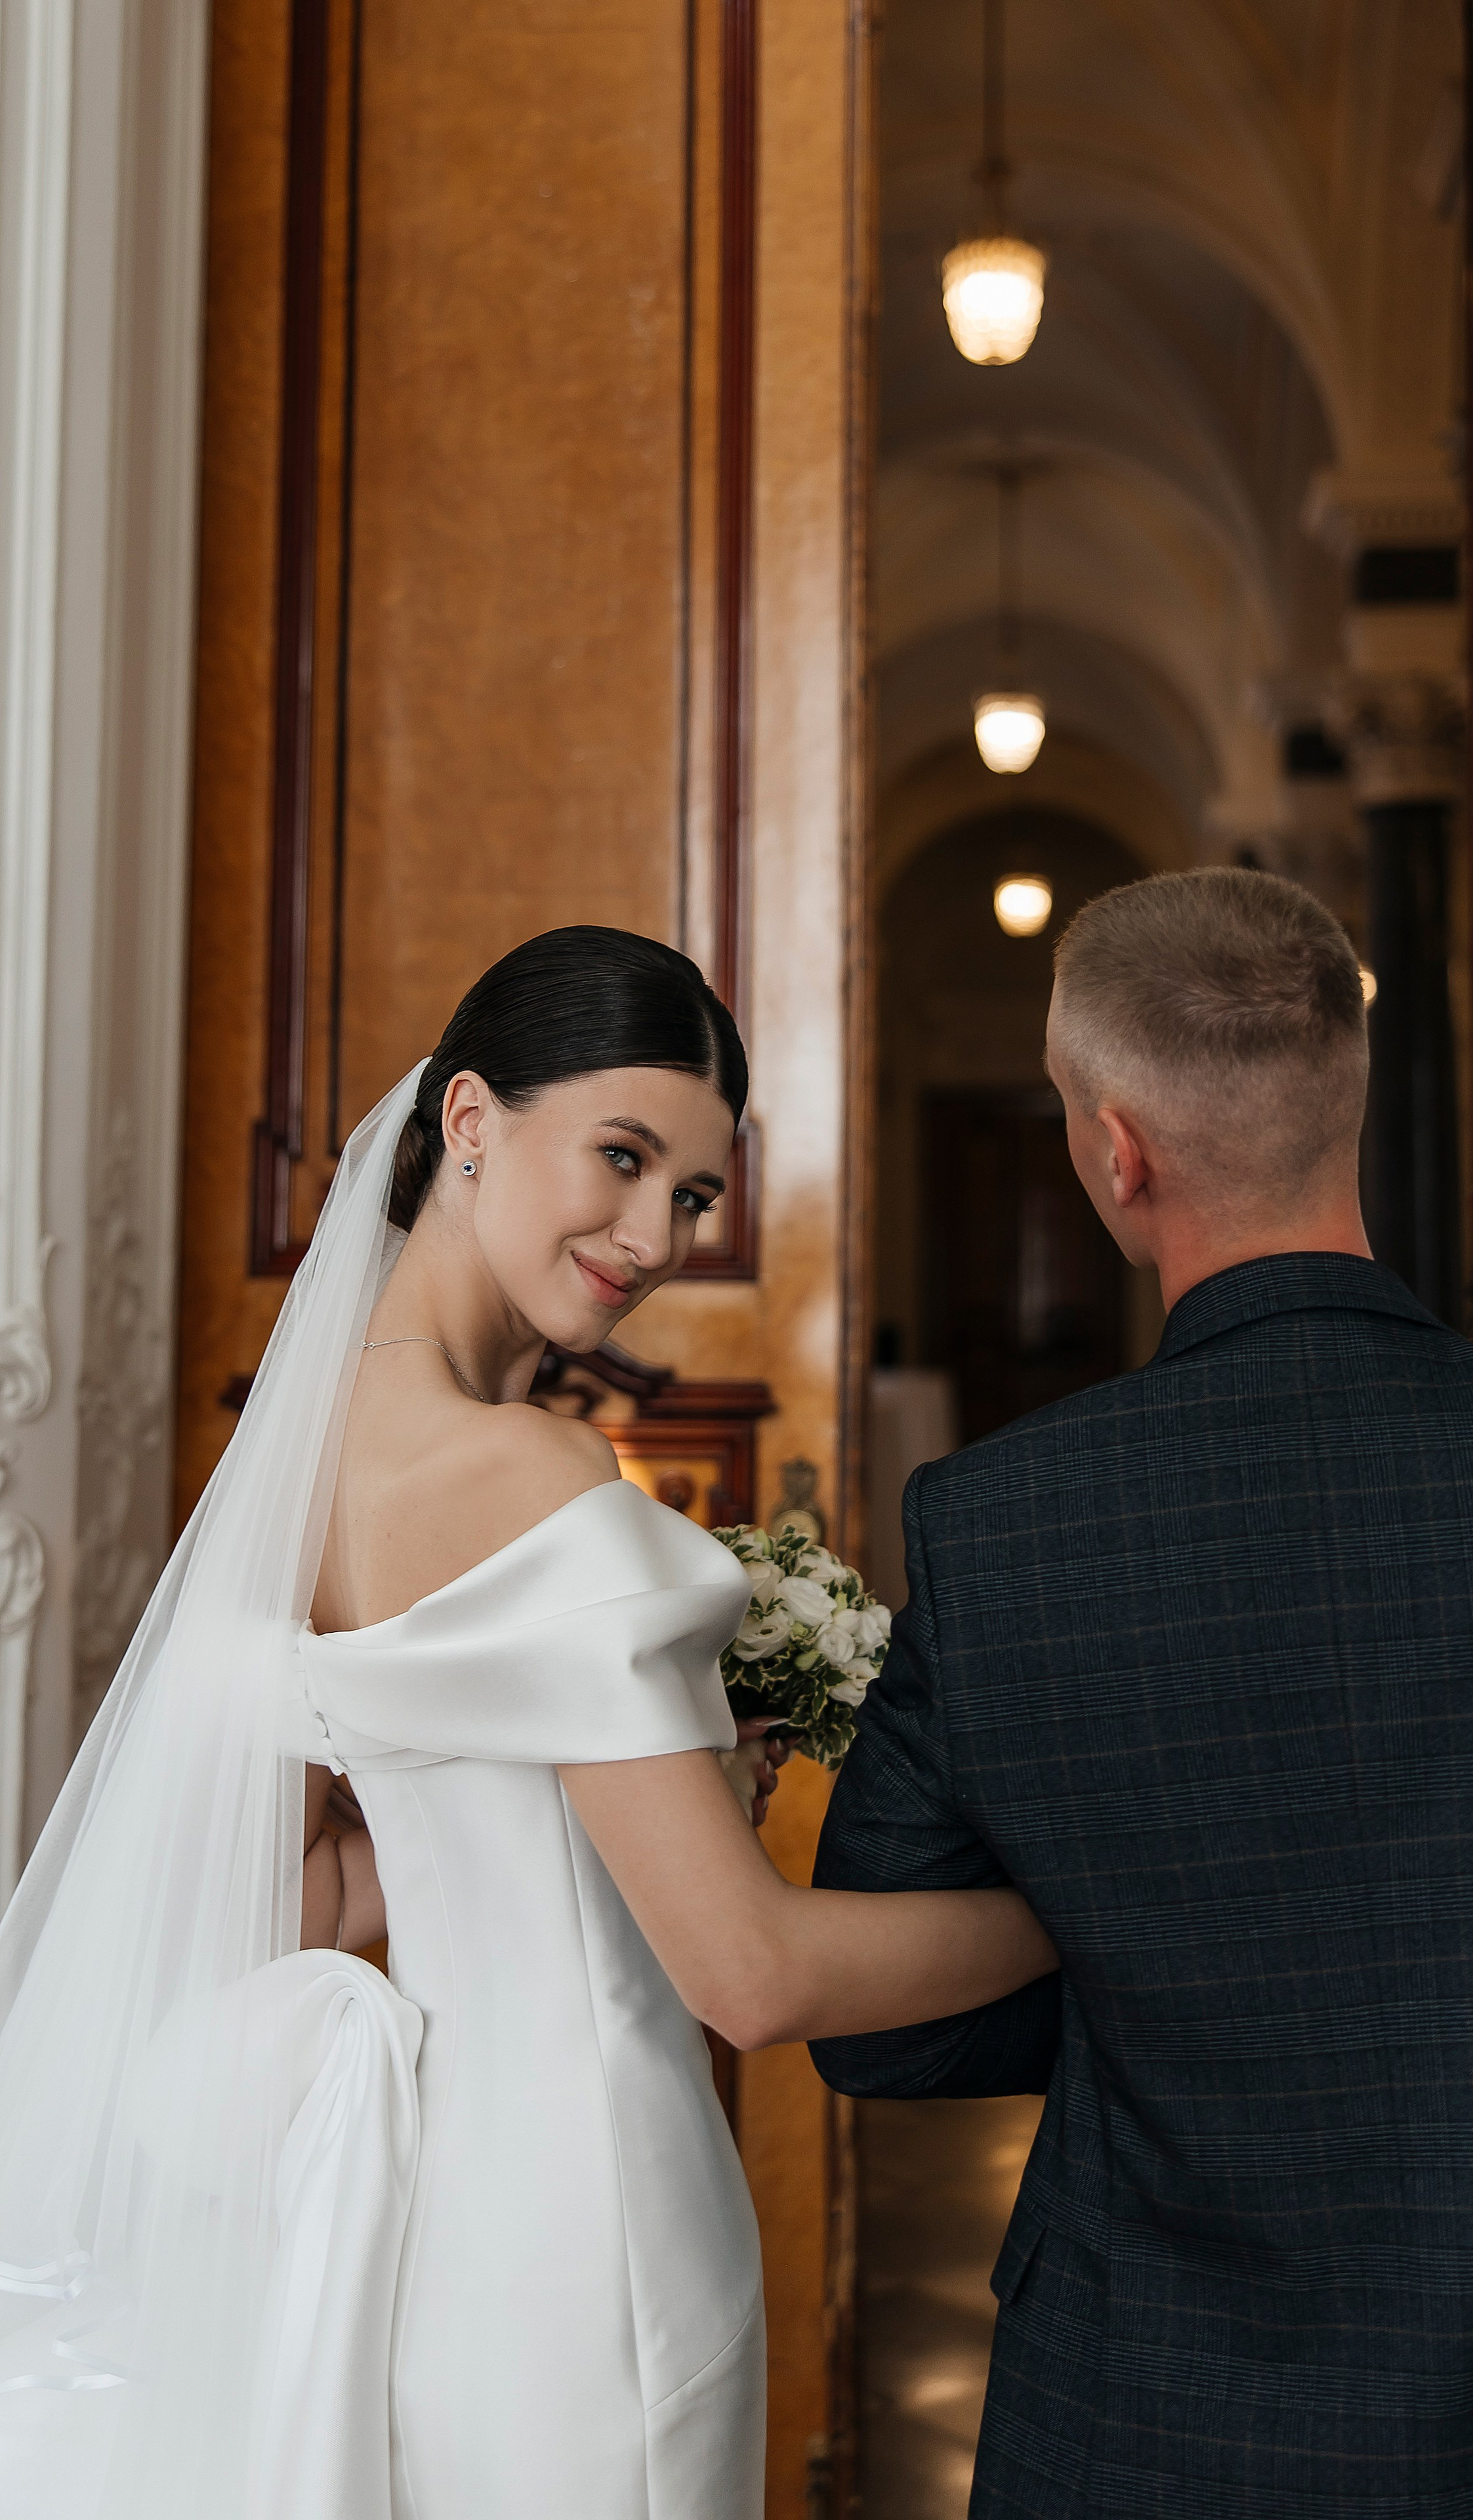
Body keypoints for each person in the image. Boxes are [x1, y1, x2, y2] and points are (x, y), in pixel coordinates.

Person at [0, 926, 1054, 2520]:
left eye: (694, 1197)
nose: (655, 1235)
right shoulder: (527, 1477)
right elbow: (750, 1975)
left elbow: (312, 1894)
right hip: (597, 2236)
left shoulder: (295, 1472)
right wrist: (1072, 1916)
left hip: (438, 2237)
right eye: (621, 1158)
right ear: (473, 1121)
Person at [812, 868, 1473, 2520]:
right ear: (1343, 1109)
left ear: (1114, 1151)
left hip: (1154, 2431)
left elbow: (885, 2029)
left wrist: (1158, 1965)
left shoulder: (999, 1529)